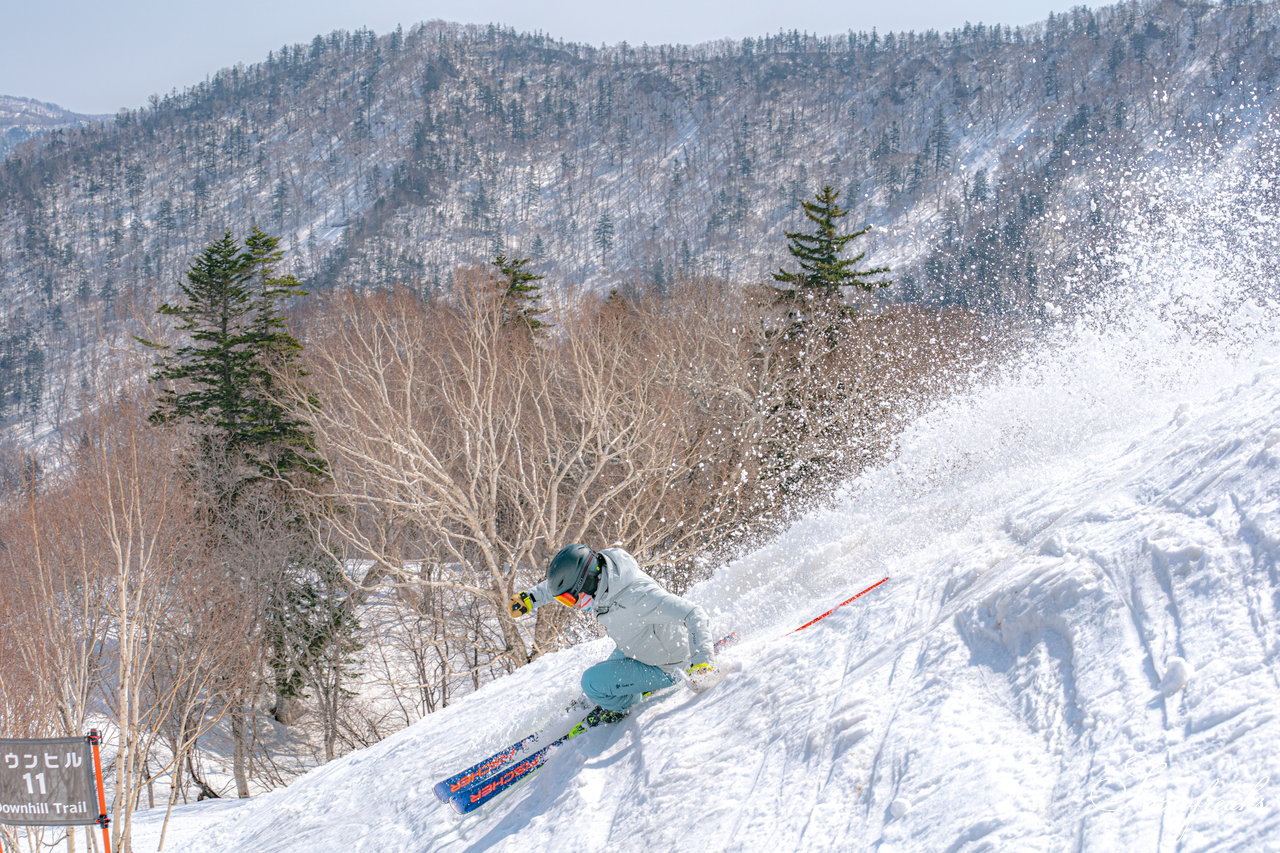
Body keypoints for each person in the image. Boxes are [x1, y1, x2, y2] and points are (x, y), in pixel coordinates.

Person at [510, 544, 720, 731]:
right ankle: (604, 697)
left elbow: (694, 613)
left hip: (668, 666)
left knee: (592, 682)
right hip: (641, 646)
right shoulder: (605, 577)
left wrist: (703, 664)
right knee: (595, 688)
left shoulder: (638, 595)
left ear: (588, 582)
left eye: (569, 598)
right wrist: (530, 598)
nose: (571, 604)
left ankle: (622, 706)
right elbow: (561, 584)